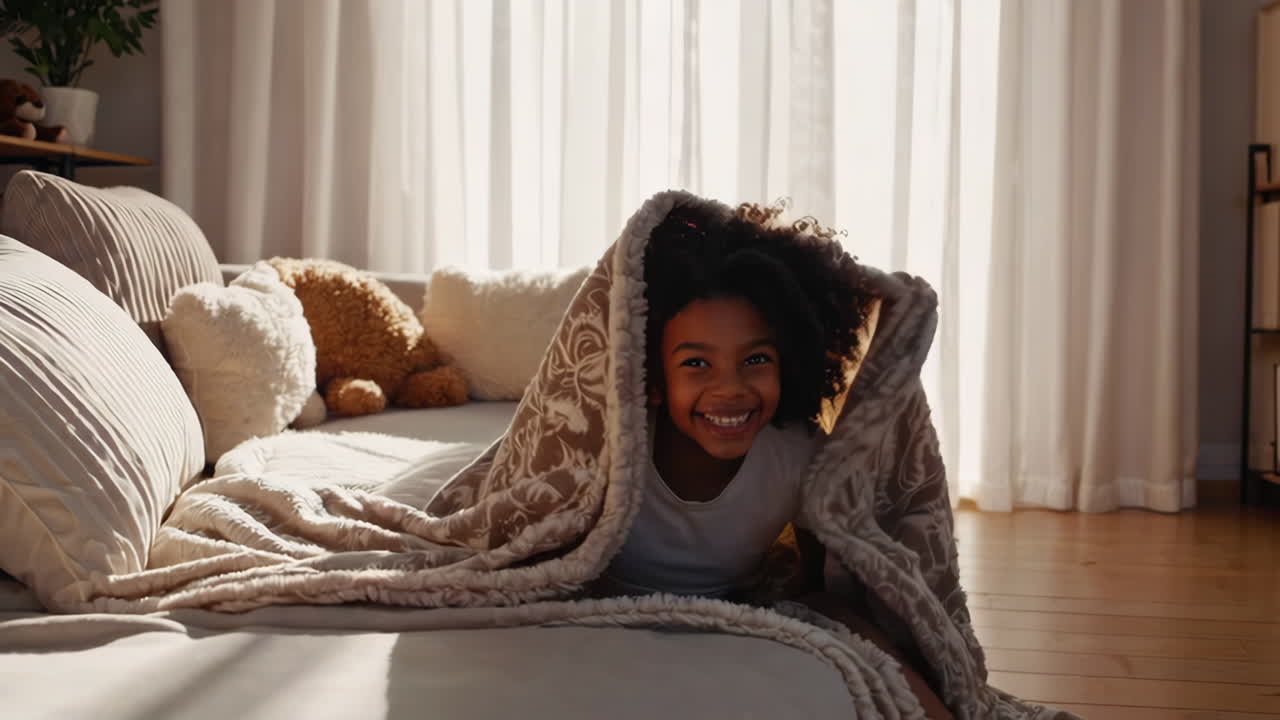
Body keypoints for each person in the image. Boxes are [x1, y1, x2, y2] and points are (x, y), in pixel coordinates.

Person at [598, 200, 954, 719]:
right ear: (652, 377)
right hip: (594, 622)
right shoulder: (612, 446)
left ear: (792, 357)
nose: (730, 389)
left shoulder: (798, 455)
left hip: (727, 627)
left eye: (756, 360)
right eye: (696, 363)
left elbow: (819, 589)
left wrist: (909, 679)